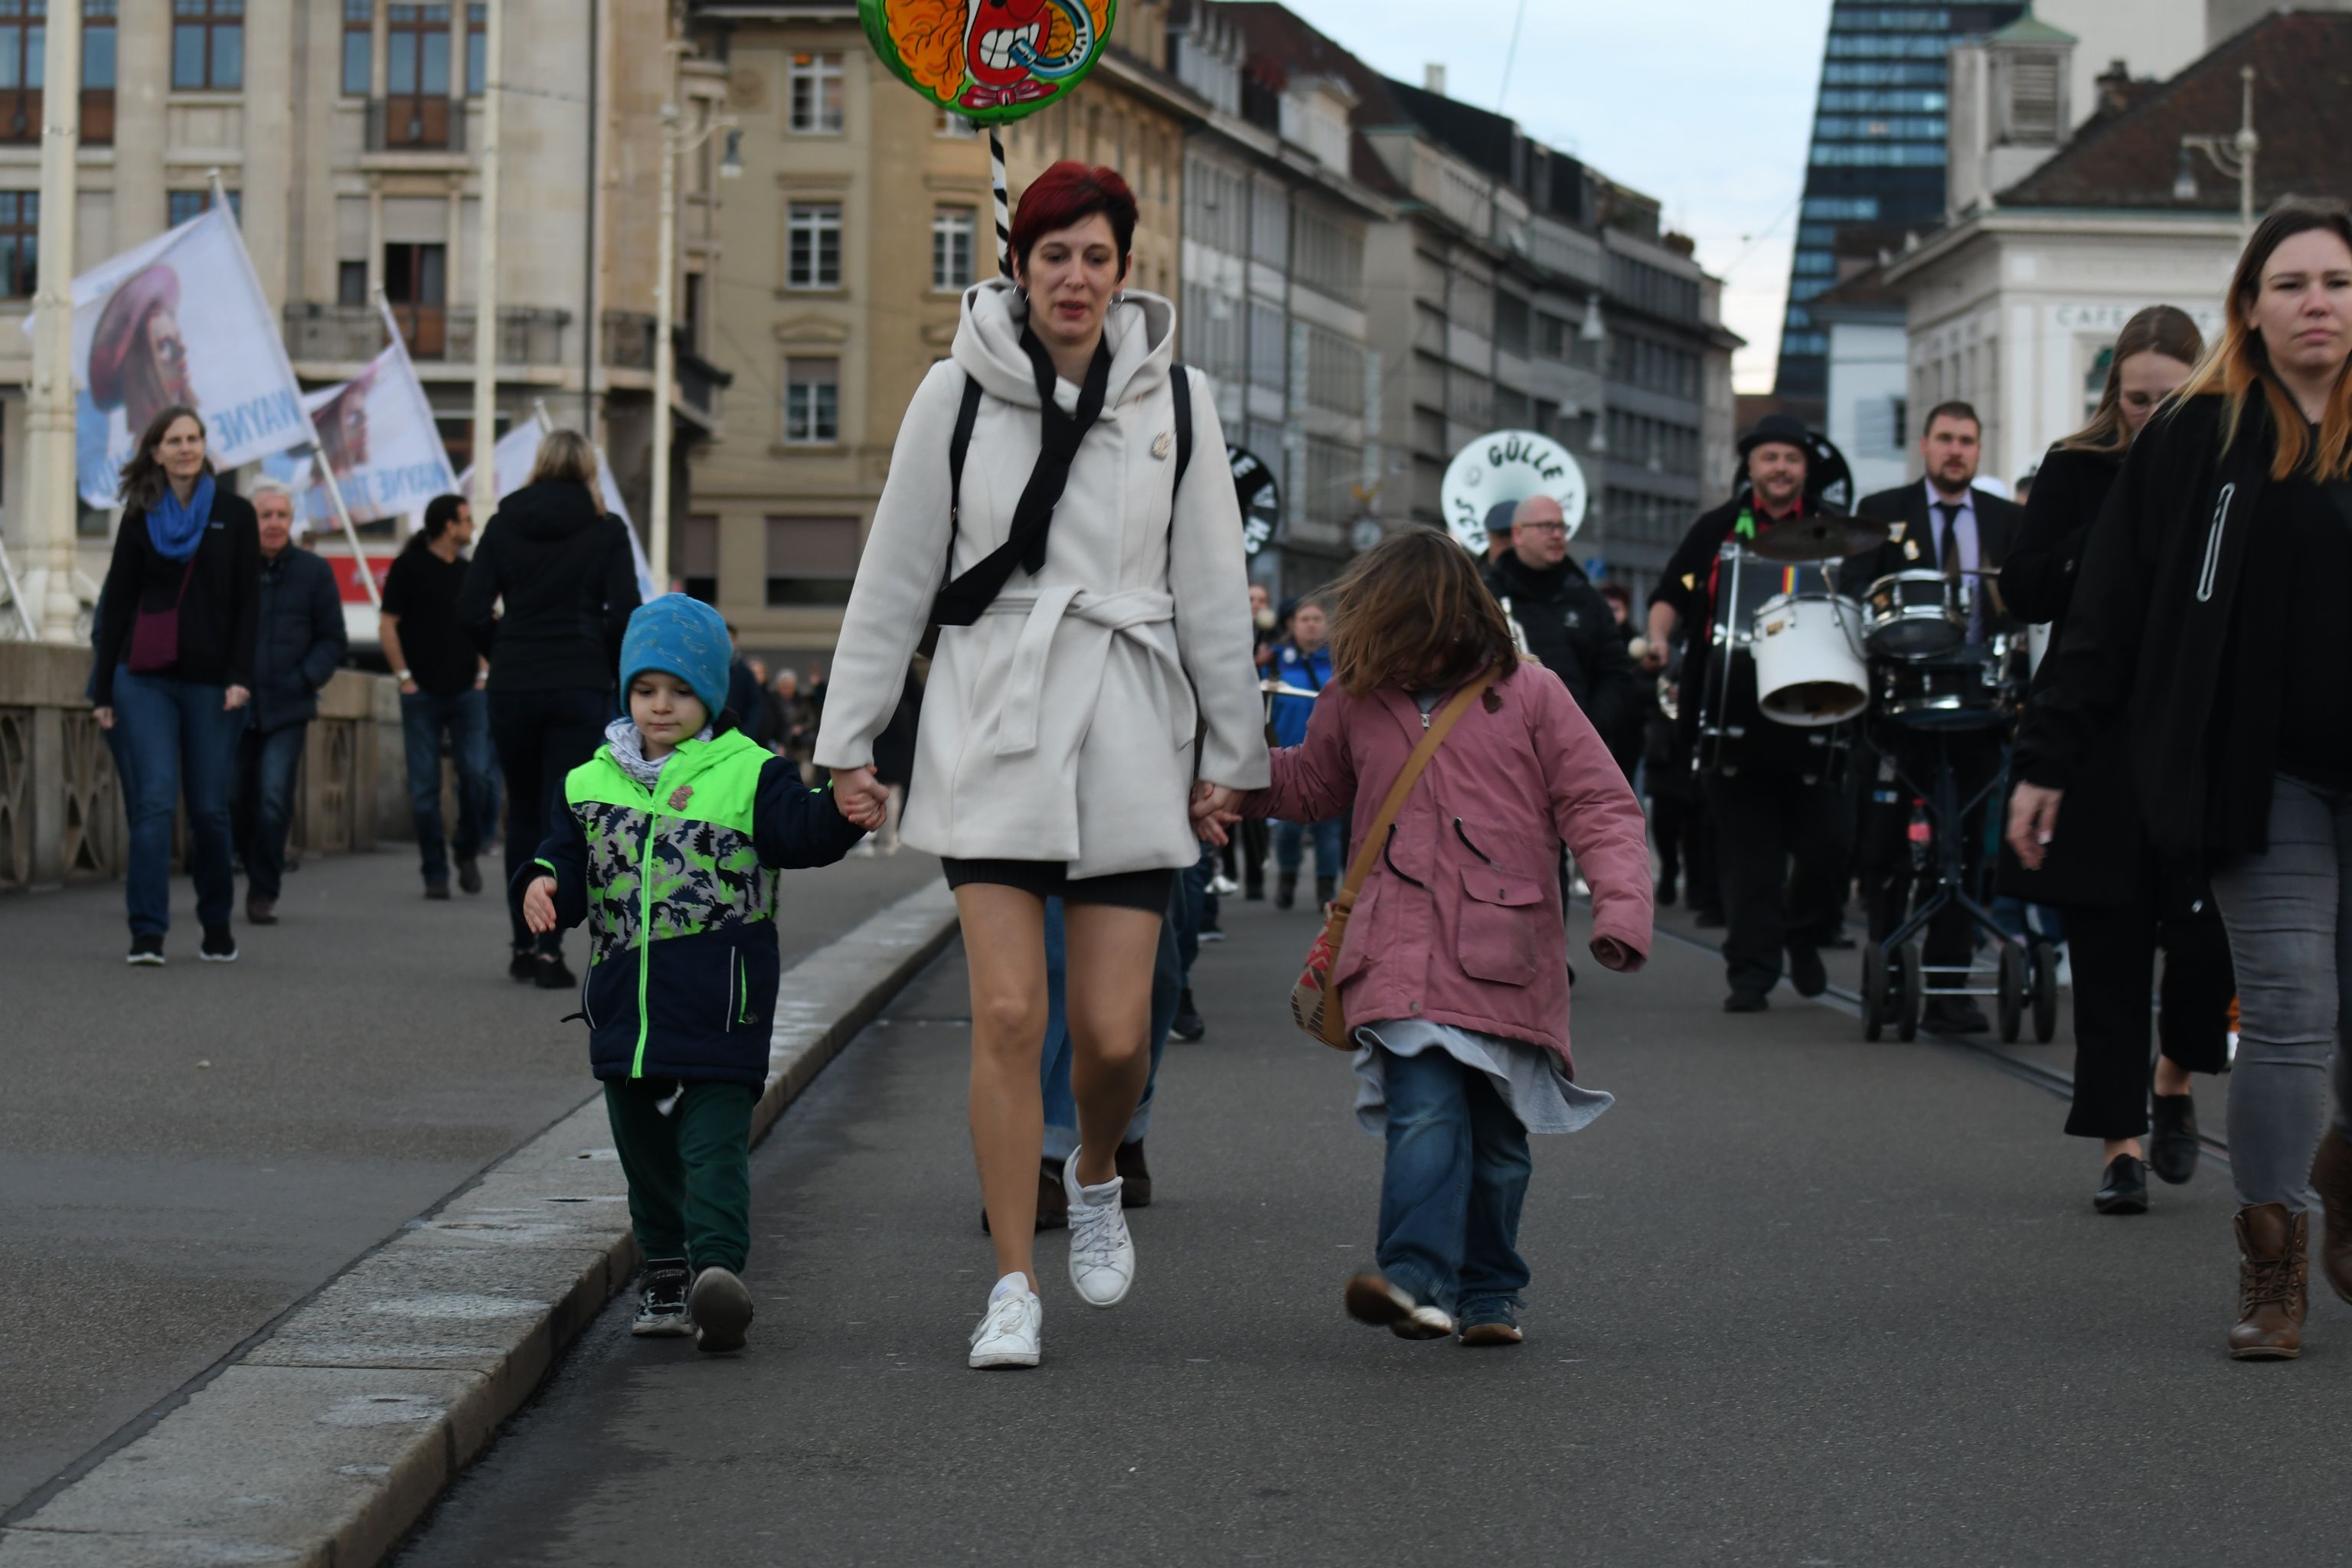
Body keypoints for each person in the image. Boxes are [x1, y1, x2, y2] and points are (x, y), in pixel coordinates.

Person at [815, 161, 1266, 1370]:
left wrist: (1232, 755)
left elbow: (1212, 585)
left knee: (1116, 1036)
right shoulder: (952, 391)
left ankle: (1098, 1166)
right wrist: (849, 742)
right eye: (1053, 254)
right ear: (1018, 263)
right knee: (1011, 1013)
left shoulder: (1180, 400)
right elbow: (895, 574)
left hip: (1129, 721)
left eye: (1095, 256)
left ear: (1126, 270)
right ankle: (1012, 1284)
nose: (1074, 277)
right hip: (994, 718)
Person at [2011, 200, 2352, 1358]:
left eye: (2337, 282)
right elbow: (2107, 608)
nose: (2317, 303)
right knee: (2291, 1009)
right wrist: (2049, 756)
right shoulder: (2197, 437)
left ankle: (2342, 1166)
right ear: (2250, 306)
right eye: (2291, 283)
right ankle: (2274, 1268)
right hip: (2257, 778)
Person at [1198, 530, 1651, 1345]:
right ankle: (1411, 1277)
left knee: (1500, 1144)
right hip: (1396, 947)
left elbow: (1598, 803)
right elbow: (1312, 783)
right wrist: (1235, 781)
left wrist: (1622, 907)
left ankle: (1489, 1291)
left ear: (1450, 618)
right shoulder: (1355, 695)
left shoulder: (1533, 693)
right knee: (1425, 1110)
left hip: (1505, 948)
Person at [521, 594, 864, 1353]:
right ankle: (666, 1271)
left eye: (679, 690)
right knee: (643, 1148)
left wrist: (842, 808)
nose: (660, 706)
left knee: (712, 1146)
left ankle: (717, 1272)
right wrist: (545, 883)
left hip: (722, 1000)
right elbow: (565, 856)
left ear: (710, 691)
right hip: (625, 1002)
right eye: (645, 690)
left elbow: (802, 832)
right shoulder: (587, 780)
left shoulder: (750, 772)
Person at [1998, 305, 2236, 1216]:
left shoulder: (2229, 468)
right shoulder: (2077, 466)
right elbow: (2025, 586)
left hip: (2197, 734)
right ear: (2114, 397)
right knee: (2106, 947)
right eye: (2137, 400)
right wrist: (2111, 537)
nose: (2151, 415)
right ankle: (2119, 1144)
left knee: (2210, 943)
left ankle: (2176, 1070)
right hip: (2095, 731)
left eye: (2169, 399)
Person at [1645, 413, 1849, 1011]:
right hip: (1732, 714)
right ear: (1751, 466)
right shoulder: (1717, 528)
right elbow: (1671, 594)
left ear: (1805, 468)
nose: (1780, 468)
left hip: (1819, 713)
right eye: (1770, 457)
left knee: (1828, 848)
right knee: (1748, 859)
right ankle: (1752, 973)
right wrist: (1659, 639)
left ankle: (1805, 935)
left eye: (1791, 458)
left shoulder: (1835, 528)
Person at [1844, 402, 2027, 1031]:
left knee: (1968, 843)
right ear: (1924, 445)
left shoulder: (2007, 520)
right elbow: (1855, 592)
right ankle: (1889, 968)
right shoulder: (1882, 511)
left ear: (1979, 449)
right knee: (1888, 841)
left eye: (1966, 441)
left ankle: (1950, 983)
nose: (1956, 451)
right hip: (1902, 702)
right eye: (1946, 439)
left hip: (1979, 702)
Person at [459, 430, 642, 989]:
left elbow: (470, 609)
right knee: (563, 813)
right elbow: (625, 614)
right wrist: (601, 661)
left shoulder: (503, 524)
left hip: (513, 681)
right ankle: (549, 948)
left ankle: (521, 941)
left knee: (521, 810)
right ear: (588, 469)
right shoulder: (606, 528)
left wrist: (504, 649)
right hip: (578, 682)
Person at [90, 406, 259, 965]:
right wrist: (102, 691)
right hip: (144, 679)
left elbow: (248, 604)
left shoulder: (235, 514)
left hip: (213, 684)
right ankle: (147, 933)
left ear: (204, 446)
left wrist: (240, 676)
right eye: (174, 440)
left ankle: (216, 924)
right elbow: (117, 604)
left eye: (193, 438)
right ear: (157, 452)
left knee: (209, 809)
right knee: (155, 802)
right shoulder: (140, 514)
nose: (185, 448)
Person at [234, 480, 346, 925]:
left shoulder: (314, 572)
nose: (275, 523)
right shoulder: (231, 567)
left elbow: (332, 639)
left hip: (288, 705)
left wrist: (305, 678)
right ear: (252, 521)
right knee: (234, 798)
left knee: (274, 797)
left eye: (282, 515)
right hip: (235, 704)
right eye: (266, 515)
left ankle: (264, 890)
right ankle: (249, 861)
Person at [382, 494, 495, 900]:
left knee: (478, 777)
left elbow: (486, 622)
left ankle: (465, 849)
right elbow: (387, 624)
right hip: (422, 694)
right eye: (466, 519)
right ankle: (434, 870)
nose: (471, 526)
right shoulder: (408, 566)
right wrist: (403, 677)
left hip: (468, 692)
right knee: (424, 789)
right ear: (449, 525)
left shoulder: (471, 571)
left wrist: (484, 672)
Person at [1483, 493, 1635, 756]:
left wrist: (1592, 728)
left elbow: (1615, 672)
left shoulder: (1588, 599)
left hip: (1576, 747)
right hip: (1504, 746)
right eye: (1546, 526)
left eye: (1561, 527)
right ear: (1518, 534)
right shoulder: (1487, 597)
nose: (1557, 535)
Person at [1264, 595, 1342, 910]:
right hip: (1286, 758)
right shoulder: (1273, 662)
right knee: (1287, 828)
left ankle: (1326, 888)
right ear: (1292, 625)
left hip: (1329, 760)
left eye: (1317, 619)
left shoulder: (1339, 662)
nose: (1311, 625)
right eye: (1304, 620)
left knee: (1328, 829)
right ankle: (1287, 879)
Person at [853, 665, 923, 857]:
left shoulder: (870, 673)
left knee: (868, 789)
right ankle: (889, 838)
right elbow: (919, 699)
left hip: (876, 736)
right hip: (898, 738)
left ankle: (867, 838)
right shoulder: (906, 673)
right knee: (891, 792)